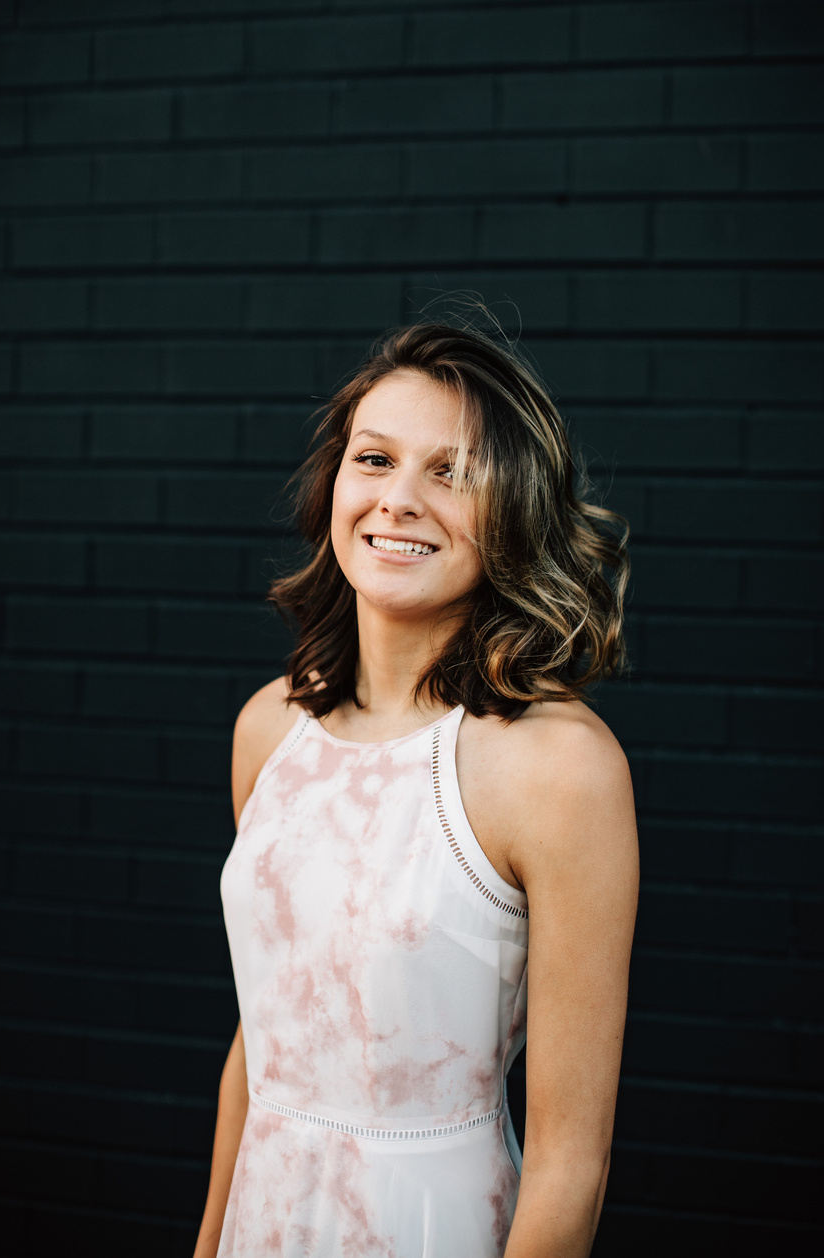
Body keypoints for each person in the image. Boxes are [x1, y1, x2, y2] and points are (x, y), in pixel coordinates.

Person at [193, 320, 639, 1258]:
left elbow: (571, 1166)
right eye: (375, 458)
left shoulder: (558, 766)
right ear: (333, 486)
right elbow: (261, 1035)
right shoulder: (268, 727)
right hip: (262, 1220)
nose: (398, 500)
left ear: (513, 510)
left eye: (451, 473)